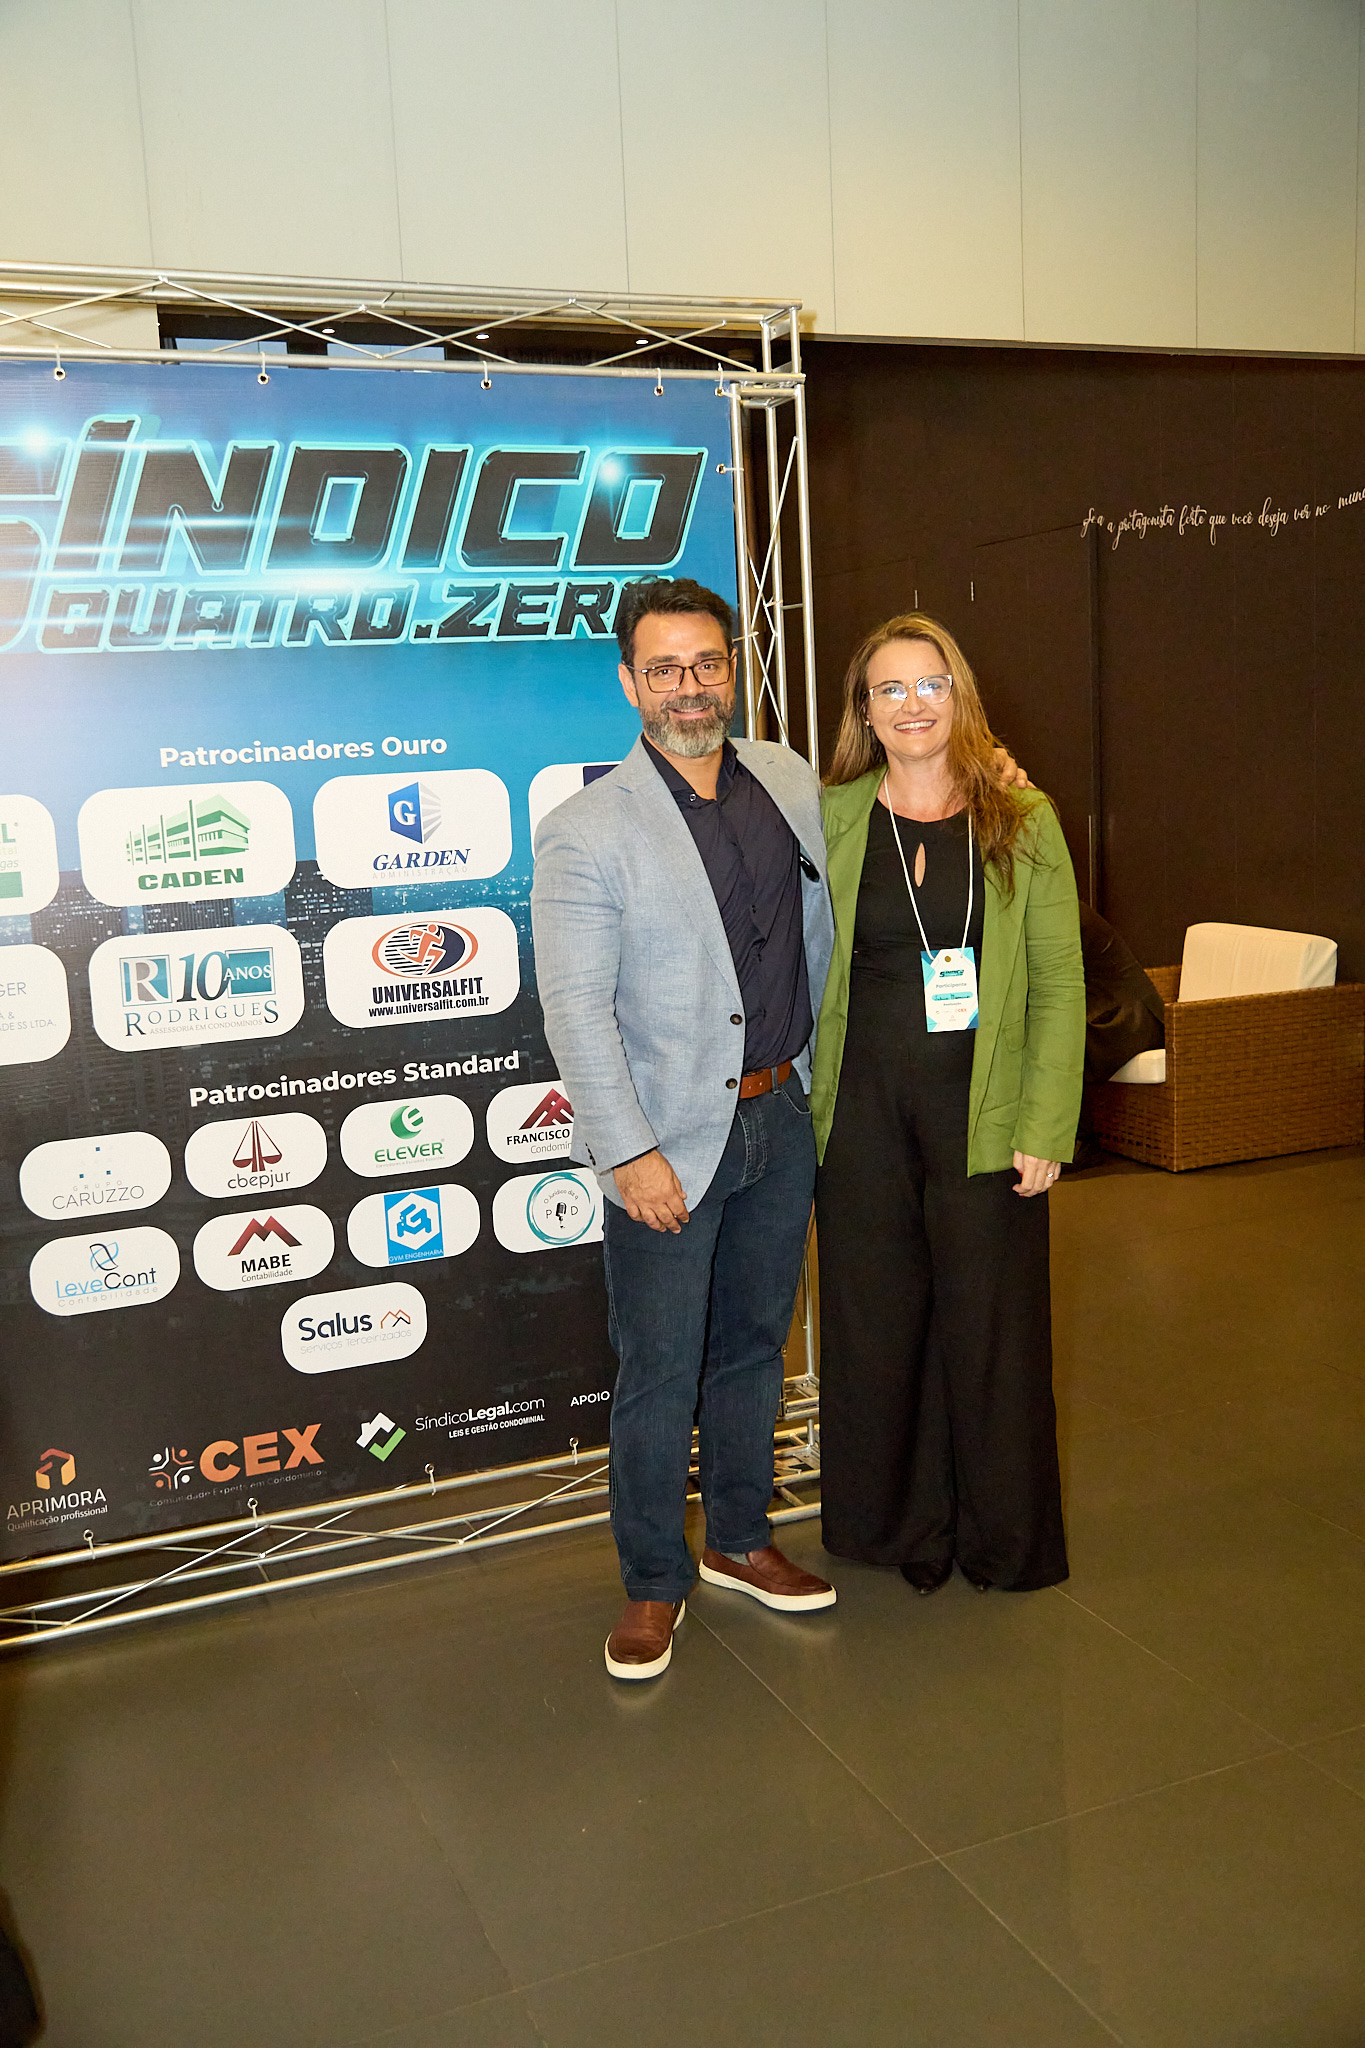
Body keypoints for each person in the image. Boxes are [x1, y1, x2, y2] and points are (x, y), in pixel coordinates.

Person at [531, 577, 839, 1681]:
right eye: (663, 669)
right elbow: (575, 1009)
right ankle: (654, 1580)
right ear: (630, 684)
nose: (689, 687)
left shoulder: (790, 780)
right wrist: (627, 1152)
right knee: (661, 1368)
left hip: (781, 1115)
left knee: (755, 1345)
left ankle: (742, 1539)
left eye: (706, 663)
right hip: (666, 1142)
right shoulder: (584, 830)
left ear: (734, 668)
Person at [811, 612, 1085, 1595]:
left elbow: (1059, 982)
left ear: (959, 694)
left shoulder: (1022, 817)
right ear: (864, 711)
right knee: (878, 1326)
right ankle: (903, 1530)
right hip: (860, 1118)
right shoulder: (830, 816)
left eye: (930, 684)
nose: (913, 704)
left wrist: (1045, 1126)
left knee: (992, 1331)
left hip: (988, 1112)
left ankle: (1003, 1537)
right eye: (890, 688)